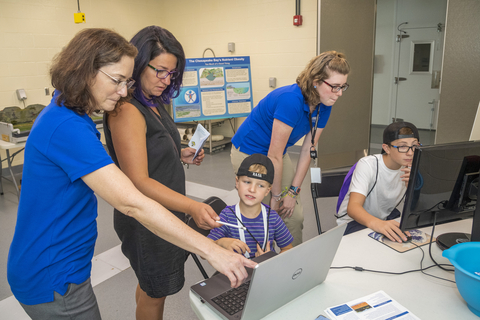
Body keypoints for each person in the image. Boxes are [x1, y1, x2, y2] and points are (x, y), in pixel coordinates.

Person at [7, 28, 255, 320]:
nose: (124, 91)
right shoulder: (66, 126)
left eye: (127, 81)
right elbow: (131, 200)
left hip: (62, 265)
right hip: (53, 275)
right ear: (84, 71)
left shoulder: (70, 113)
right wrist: (212, 250)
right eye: (117, 80)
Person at [102, 25, 225, 320]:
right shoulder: (127, 110)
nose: (165, 79)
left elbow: (149, 150)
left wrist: (178, 153)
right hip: (147, 218)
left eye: (171, 73)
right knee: (156, 294)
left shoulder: (153, 100)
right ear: (138, 64)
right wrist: (193, 206)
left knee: (150, 287)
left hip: (165, 208)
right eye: (159, 71)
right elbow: (138, 181)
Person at [230, 51, 350, 246]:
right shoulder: (290, 100)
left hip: (277, 153)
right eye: (335, 87)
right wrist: (276, 196)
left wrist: (292, 193)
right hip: (249, 151)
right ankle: (258, 260)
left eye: (343, 86)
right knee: (263, 212)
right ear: (316, 81)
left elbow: (306, 151)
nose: (340, 93)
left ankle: (291, 263)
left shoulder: (325, 104)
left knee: (293, 216)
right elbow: (273, 156)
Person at [336, 121, 420, 242]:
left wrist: (413, 189)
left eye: (415, 146)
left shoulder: (411, 166)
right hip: (353, 222)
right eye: (402, 146)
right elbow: (353, 208)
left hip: (383, 218)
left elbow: (418, 210)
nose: (410, 152)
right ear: (387, 148)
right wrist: (379, 224)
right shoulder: (368, 165)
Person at [208, 154, 294, 257]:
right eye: (247, 182)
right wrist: (221, 242)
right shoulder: (227, 217)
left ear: (267, 191)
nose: (252, 190)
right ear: (237, 182)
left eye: (260, 185)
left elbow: (288, 249)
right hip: (236, 271)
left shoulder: (272, 217)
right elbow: (204, 252)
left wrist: (271, 259)